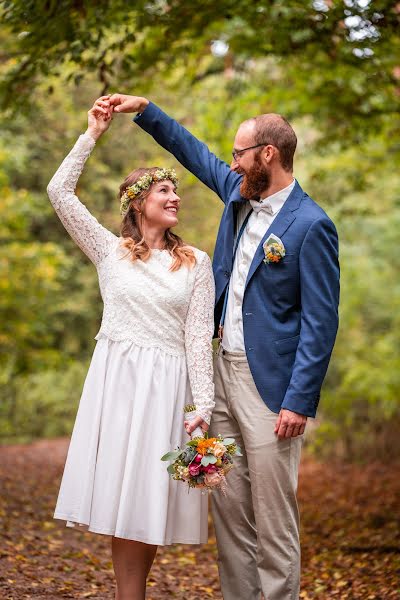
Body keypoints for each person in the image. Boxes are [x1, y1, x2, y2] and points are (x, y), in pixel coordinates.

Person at [98, 93, 340, 600]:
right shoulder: (236, 192)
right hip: (218, 379)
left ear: (267, 155)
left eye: (239, 153)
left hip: (269, 388)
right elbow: (193, 151)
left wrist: (299, 399)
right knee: (228, 511)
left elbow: (320, 321)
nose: (231, 163)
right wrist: (145, 110)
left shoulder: (311, 225)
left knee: (273, 517)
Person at [47, 96, 215, 600]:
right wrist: (92, 133)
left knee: (149, 498)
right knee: (122, 496)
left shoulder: (196, 262)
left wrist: (203, 403)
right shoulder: (108, 252)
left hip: (168, 387)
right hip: (117, 382)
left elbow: (197, 335)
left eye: (176, 191)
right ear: (138, 202)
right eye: (164, 190)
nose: (175, 198)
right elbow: (58, 191)